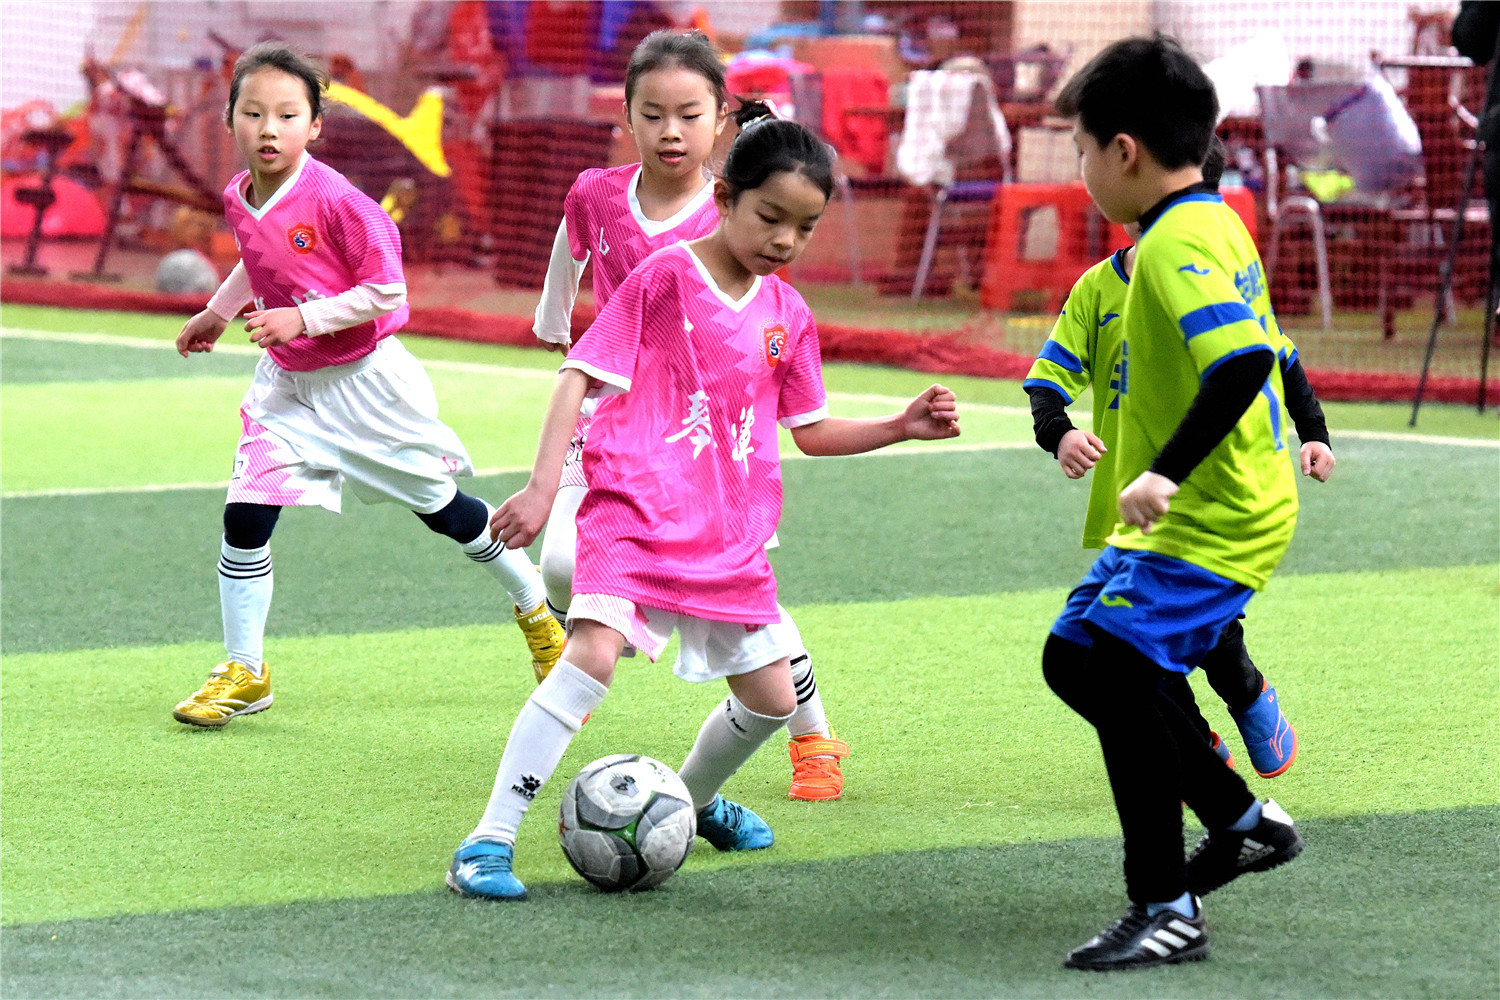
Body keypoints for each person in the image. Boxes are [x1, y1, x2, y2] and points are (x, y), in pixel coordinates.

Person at [447, 104, 961, 900]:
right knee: (590, 655)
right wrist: (546, 486)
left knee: (771, 696)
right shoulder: (665, 277)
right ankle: (487, 842)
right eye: (770, 216)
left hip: (725, 534)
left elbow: (813, 432)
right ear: (724, 197)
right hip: (633, 509)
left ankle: (688, 802)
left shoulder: (788, 315)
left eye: (805, 226)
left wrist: (900, 425)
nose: (785, 239)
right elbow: (579, 372)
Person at [170, 44, 564, 727]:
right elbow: (256, 258)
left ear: (315, 125)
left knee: (445, 511)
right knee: (245, 515)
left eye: (288, 114)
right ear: (231, 118)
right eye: (254, 112)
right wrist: (219, 308)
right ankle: (245, 669)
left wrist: (303, 317)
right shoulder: (240, 194)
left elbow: (386, 291)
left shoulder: (340, 202)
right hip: (289, 389)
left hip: (367, 387)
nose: (269, 128)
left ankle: (536, 612)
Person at [1040, 36, 1305, 970]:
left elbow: (1241, 361)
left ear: (1124, 152)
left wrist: (1166, 472)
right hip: (1220, 505)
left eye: (1078, 150)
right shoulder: (1214, 219)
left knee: (1110, 666)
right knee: (1076, 657)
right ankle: (1241, 818)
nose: (1079, 172)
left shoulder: (1176, 242)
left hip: (1215, 512)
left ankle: (1166, 905)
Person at [532, 29, 850, 801]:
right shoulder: (595, 192)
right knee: (561, 568)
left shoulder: (731, 216)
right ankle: (602, 637)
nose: (670, 130)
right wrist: (553, 323)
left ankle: (811, 734)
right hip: (618, 416)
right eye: (653, 114)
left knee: (745, 585)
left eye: (690, 114)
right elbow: (570, 251)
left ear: (721, 122)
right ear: (628, 117)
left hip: (713, 444)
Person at [1025, 136, 1334, 779]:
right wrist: (1057, 431)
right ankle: (1196, 746)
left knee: (1183, 637)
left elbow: (1273, 355)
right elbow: (1050, 375)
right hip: (1131, 495)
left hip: (1207, 495)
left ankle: (1246, 693)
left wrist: (1314, 432)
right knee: (1122, 647)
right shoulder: (1097, 289)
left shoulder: (1203, 270)